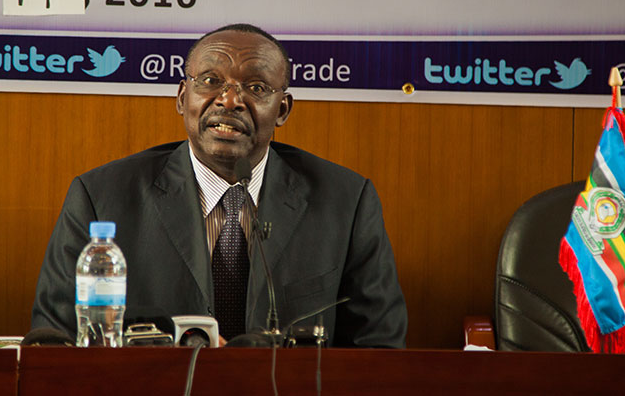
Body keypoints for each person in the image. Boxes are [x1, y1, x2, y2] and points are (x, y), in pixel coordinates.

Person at [31, 23, 407, 347]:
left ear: (283, 110)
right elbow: (55, 340)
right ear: (182, 98)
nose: (229, 100)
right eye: (210, 81)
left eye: (257, 87)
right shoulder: (102, 197)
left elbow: (378, 346)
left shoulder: (345, 201)